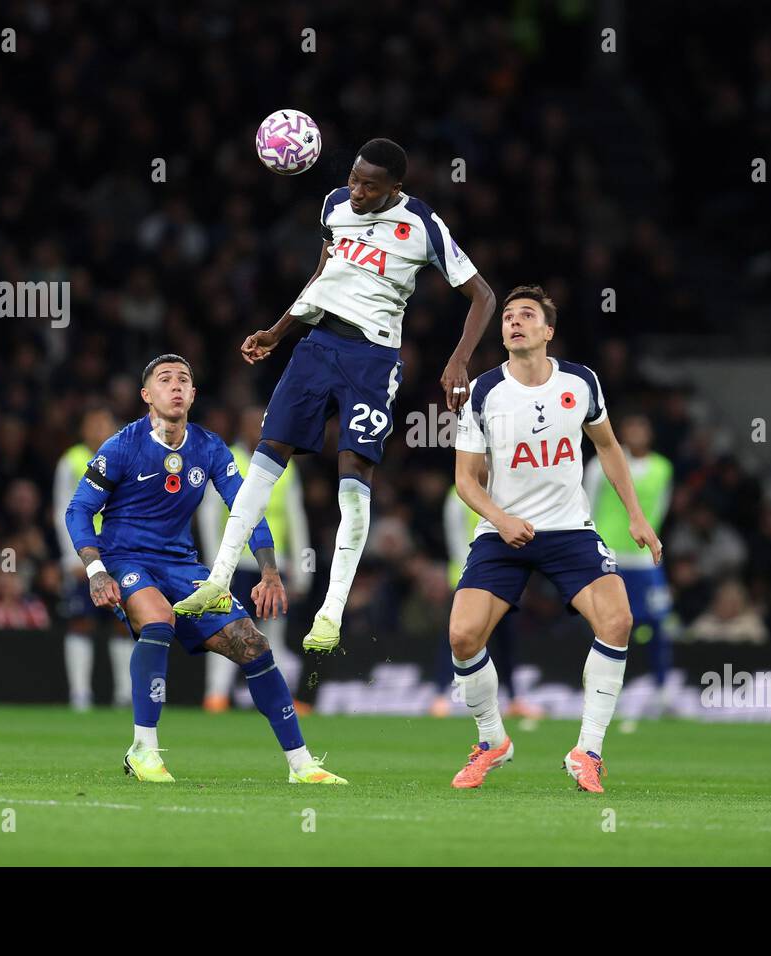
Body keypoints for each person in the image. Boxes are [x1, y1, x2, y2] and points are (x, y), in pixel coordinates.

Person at [173, 138, 496, 657]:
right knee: (266, 454)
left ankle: (331, 610)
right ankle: (218, 579)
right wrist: (278, 332)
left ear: (396, 187)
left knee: (353, 477)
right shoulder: (334, 207)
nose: (357, 191)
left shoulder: (423, 225)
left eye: (370, 185)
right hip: (316, 346)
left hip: (371, 360)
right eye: (353, 179)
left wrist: (459, 359)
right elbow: (324, 277)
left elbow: (483, 295)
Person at [65, 354, 346, 785]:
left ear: (193, 394)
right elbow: (79, 510)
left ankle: (301, 763)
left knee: (253, 645)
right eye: (165, 380)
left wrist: (269, 569)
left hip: (182, 565)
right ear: (147, 396)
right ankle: (143, 749)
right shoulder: (122, 445)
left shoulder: (209, 447)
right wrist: (96, 571)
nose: (176, 386)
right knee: (158, 620)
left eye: (184, 380)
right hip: (126, 560)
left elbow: (246, 505)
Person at [446, 285, 662, 793]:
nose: (514, 323)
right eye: (507, 318)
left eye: (526, 316)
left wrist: (636, 514)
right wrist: (500, 519)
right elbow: (465, 479)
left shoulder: (581, 382)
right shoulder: (481, 391)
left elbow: (608, 446)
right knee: (462, 636)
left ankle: (588, 751)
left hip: (569, 531)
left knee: (619, 620)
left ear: (548, 331)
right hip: (504, 535)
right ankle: (491, 740)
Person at [197, 406, 310, 712]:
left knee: (274, 630)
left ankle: (280, 696)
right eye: (251, 424)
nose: (257, 430)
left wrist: (301, 568)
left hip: (273, 565)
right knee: (227, 628)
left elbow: (296, 518)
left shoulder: (285, 465)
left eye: (262, 424)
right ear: (241, 427)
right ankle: (217, 694)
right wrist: (216, 565)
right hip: (235, 564)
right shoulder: (226, 459)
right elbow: (209, 517)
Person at [584, 411, 676, 713]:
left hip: (645, 560)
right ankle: (607, 690)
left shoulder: (663, 468)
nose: (636, 431)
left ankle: (662, 690)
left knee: (659, 623)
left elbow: (660, 508)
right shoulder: (600, 464)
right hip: (611, 555)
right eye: (631, 425)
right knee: (611, 625)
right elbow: (587, 503)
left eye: (642, 425)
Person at [430, 484, 543, 719]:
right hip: (467, 579)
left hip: (502, 579)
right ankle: (442, 695)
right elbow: (455, 539)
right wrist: (470, 576)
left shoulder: (502, 489)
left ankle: (513, 698)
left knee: (506, 639)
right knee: (454, 638)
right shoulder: (458, 493)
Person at [53, 404, 132, 710]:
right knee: (80, 621)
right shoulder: (71, 461)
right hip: (83, 554)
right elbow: (62, 510)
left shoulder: (124, 457)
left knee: (123, 622)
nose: (98, 430)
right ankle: (80, 694)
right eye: (93, 424)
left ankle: (124, 695)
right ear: (83, 429)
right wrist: (70, 557)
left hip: (117, 551)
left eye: (104, 424)